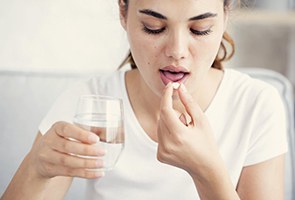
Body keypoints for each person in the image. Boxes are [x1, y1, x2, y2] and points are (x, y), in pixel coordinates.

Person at [1, 0, 288, 199]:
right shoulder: (89, 103)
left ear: (225, 16)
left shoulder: (256, 104)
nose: (177, 52)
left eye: (199, 29)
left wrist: (207, 172)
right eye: (154, 27)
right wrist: (36, 168)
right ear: (123, 13)